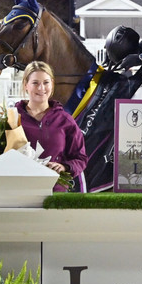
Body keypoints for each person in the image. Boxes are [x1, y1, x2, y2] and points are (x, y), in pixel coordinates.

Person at [15, 61, 88, 192]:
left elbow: (80, 158)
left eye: (46, 82)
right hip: (19, 192)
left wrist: (65, 167)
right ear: (26, 85)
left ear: (52, 84)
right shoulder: (13, 118)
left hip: (55, 193)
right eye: (35, 83)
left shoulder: (65, 120)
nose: (41, 88)